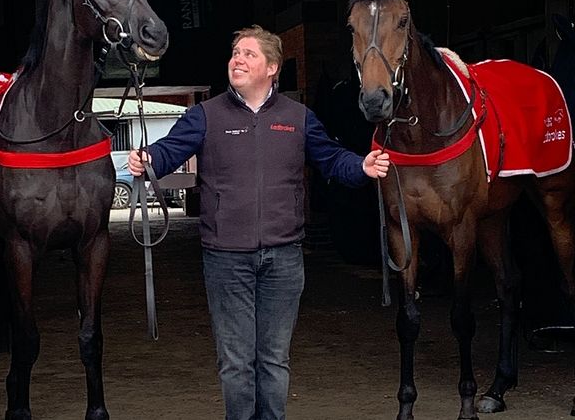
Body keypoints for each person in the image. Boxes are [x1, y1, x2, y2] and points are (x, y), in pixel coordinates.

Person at [128, 25, 389, 420]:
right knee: (236, 364)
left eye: (249, 54)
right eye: (235, 53)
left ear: (271, 67)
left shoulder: (298, 118)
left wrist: (362, 165)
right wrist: (146, 161)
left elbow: (331, 159)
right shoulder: (206, 115)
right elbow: (167, 151)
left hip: (283, 259)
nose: (238, 59)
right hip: (226, 260)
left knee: (273, 360)